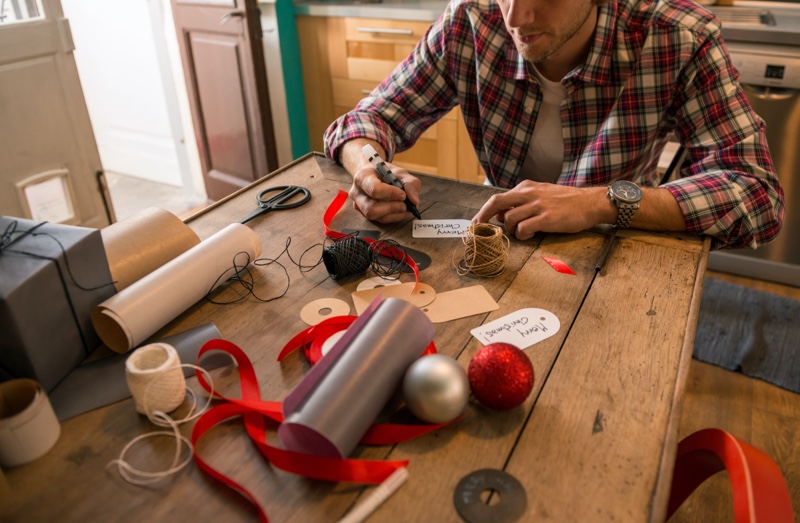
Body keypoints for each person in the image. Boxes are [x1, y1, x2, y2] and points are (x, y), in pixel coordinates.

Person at [323, 0, 784, 249]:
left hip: (615, 243)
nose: (516, 17)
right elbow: (370, 119)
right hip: (499, 238)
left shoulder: (677, 36)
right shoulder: (469, 20)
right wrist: (367, 166)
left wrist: (599, 203)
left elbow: (757, 194)